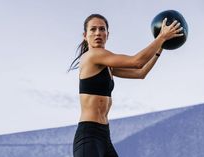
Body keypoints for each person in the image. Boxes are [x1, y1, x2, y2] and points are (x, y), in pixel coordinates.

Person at [70, 14, 183, 157]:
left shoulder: (107, 65)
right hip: (89, 135)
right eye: (93, 29)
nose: (98, 33)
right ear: (85, 35)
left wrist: (161, 46)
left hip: (104, 135)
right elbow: (136, 61)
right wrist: (161, 37)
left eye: (102, 29)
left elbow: (140, 72)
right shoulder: (93, 56)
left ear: (107, 34)